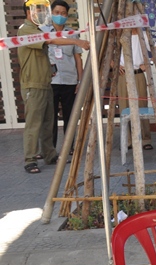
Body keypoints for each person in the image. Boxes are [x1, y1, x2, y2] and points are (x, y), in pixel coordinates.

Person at [18, 0, 88, 174]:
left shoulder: (37, 29)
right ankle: (30, 159)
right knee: (34, 124)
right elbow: (49, 41)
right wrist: (77, 42)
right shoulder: (26, 30)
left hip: (46, 82)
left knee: (49, 122)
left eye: (43, 10)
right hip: (33, 84)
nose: (42, 13)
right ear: (29, 12)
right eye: (38, 10)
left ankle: (50, 155)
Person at [117, 28, 156, 151]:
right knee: (124, 107)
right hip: (123, 75)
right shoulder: (119, 34)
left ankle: (145, 139)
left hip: (138, 74)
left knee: (142, 105)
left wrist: (149, 63)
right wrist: (114, 64)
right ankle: (128, 140)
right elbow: (107, 53)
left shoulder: (143, 35)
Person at [48, 0, 83, 152]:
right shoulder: (43, 32)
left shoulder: (73, 34)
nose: (60, 16)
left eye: (63, 13)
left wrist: (80, 80)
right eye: (57, 13)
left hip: (70, 80)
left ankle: (70, 146)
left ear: (67, 15)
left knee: (70, 117)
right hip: (51, 81)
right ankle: (50, 149)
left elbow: (78, 59)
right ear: (51, 13)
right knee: (51, 118)